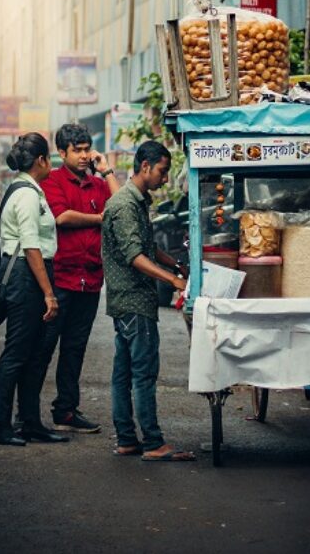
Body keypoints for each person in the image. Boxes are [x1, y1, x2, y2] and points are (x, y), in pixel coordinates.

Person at [101, 140, 194, 461]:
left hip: (128, 300)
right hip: (134, 301)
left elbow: (148, 247)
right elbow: (135, 256)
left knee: (124, 373)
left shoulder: (136, 201)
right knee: (142, 374)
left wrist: (175, 264)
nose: (165, 179)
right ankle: (153, 443)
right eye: (162, 171)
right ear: (144, 167)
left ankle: (127, 439)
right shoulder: (125, 205)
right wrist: (173, 280)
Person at [39, 123, 119, 434]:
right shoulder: (52, 181)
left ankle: (66, 411)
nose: (85, 156)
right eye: (78, 151)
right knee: (43, 348)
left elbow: (121, 207)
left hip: (90, 280)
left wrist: (107, 170)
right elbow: (62, 217)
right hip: (59, 279)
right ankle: (26, 415)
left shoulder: (98, 184)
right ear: (62, 153)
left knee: (75, 349)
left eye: (87, 150)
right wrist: (100, 219)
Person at [0, 132, 68, 448]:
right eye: (50, 158)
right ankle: (2, 426)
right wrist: (49, 293)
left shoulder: (30, 190)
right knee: (17, 352)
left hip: (32, 274)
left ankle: (30, 422)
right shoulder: (25, 194)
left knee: (35, 353)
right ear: (41, 160)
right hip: (26, 276)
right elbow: (31, 246)